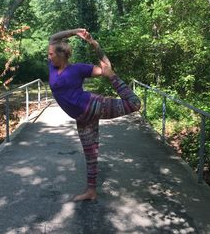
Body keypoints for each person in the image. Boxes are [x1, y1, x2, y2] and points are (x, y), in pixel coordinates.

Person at [48, 28, 141, 201]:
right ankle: (91, 191)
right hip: (82, 118)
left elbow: (105, 67)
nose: (49, 56)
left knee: (134, 104)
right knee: (90, 154)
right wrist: (76, 32)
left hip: (94, 106)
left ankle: (116, 80)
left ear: (61, 55)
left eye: (51, 54)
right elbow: (53, 37)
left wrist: (94, 44)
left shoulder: (78, 69)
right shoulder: (52, 68)